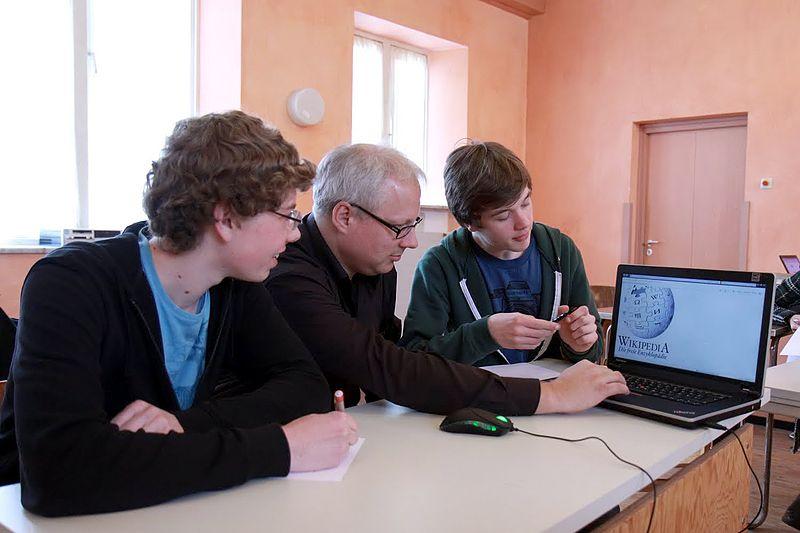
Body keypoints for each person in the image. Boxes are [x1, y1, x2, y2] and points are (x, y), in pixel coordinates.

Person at [0, 111, 358, 517]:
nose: (294, 233)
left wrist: (186, 424)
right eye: (287, 215)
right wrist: (282, 448)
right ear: (226, 218)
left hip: (157, 509)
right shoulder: (69, 283)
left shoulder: (234, 284)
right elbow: (59, 472)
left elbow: (306, 386)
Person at [266, 143, 627, 416]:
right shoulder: (289, 277)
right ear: (344, 216)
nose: (411, 241)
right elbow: (396, 369)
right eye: (400, 228)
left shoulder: (375, 265)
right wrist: (550, 395)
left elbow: (390, 366)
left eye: (414, 225)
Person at [400, 141, 602, 367]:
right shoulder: (439, 265)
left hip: (551, 388)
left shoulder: (561, 251)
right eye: (503, 216)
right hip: (480, 389)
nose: (523, 222)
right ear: (469, 222)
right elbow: (414, 360)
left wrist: (579, 345)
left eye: (525, 203)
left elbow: (594, 351)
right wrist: (486, 334)